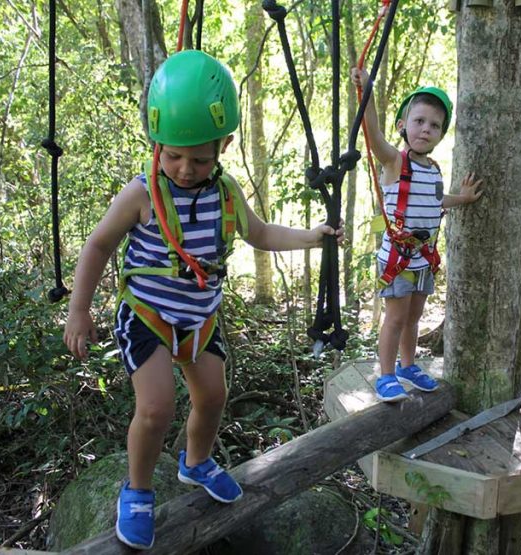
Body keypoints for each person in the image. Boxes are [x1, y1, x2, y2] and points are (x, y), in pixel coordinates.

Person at [63, 50, 343, 550]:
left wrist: (310, 236)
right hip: (148, 315)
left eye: (200, 158)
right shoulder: (142, 194)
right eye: (173, 155)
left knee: (213, 396)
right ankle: (138, 490)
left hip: (199, 318)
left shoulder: (226, 192)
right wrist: (80, 309)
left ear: (224, 145)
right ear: (156, 142)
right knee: (155, 408)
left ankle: (196, 463)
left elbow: (258, 233)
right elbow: (99, 245)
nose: (185, 168)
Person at [349, 67, 483, 403]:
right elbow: (373, 134)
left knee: (414, 316)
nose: (426, 129)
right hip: (397, 259)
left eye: (434, 125)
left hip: (423, 258)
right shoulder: (395, 162)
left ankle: (408, 366)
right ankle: (386, 375)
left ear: (440, 135)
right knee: (395, 318)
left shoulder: (433, 169)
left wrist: (462, 199)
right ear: (403, 126)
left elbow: (436, 200)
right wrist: (368, 93)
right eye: (419, 121)